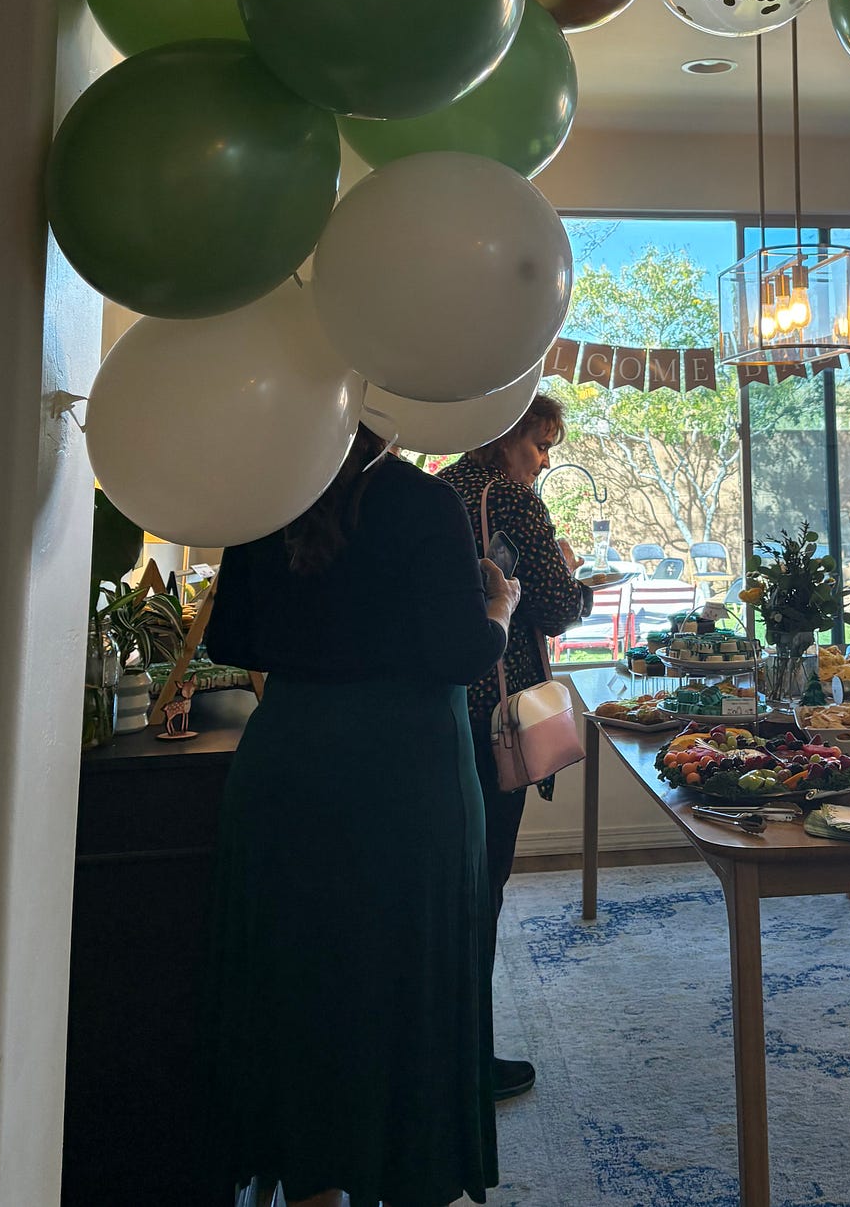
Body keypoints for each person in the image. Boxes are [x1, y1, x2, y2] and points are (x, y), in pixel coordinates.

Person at [199, 423, 521, 1207]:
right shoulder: (426, 501)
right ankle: (403, 1168)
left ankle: (313, 1183)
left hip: (286, 768)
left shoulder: (267, 496)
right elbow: (461, 652)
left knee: (300, 981)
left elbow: (231, 634)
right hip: (408, 778)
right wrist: (501, 607)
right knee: (408, 977)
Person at [444, 393, 589, 1102]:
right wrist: (575, 579)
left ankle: (446, 1044)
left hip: (445, 707)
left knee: (453, 882)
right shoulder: (513, 499)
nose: (544, 460)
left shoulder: (444, 486)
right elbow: (557, 607)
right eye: (539, 444)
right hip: (500, 715)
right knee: (486, 881)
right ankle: (471, 1058)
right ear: (505, 436)